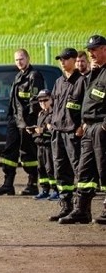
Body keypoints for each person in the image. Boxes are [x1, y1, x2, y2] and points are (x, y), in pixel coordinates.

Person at [60, 35, 106, 224]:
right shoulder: (95, 72)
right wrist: (82, 123)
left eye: (94, 50)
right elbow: (87, 101)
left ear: (104, 49)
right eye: (89, 50)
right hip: (89, 128)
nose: (91, 54)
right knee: (84, 169)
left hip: (102, 128)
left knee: (105, 169)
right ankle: (82, 209)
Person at [0, 48, 44, 196]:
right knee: (9, 151)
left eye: (21, 59)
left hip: (26, 121)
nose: (19, 62)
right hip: (15, 119)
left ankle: (32, 184)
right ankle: (8, 184)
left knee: (28, 152)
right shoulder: (19, 76)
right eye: (16, 60)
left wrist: (30, 123)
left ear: (28, 59)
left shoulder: (34, 76)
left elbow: (35, 101)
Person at [47, 48, 85, 220]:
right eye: (60, 59)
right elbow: (53, 104)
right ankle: (65, 205)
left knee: (78, 168)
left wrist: (82, 126)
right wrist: (50, 121)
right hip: (58, 131)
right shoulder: (58, 82)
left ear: (74, 60)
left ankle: (79, 207)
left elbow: (86, 107)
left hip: (73, 132)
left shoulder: (82, 81)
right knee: (60, 169)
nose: (62, 62)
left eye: (66, 59)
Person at [31, 90, 57, 201]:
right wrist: (33, 131)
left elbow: (54, 130)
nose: (43, 103)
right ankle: (45, 190)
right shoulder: (40, 113)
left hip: (49, 145)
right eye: (40, 101)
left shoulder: (54, 114)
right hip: (40, 144)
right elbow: (39, 129)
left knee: (50, 168)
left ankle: (56, 190)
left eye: (45, 100)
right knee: (41, 168)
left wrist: (44, 130)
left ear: (51, 99)